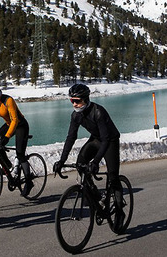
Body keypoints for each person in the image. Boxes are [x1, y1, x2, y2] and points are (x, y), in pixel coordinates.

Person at [53, 83, 125, 232]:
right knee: (81, 163)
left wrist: (96, 161)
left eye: (77, 101)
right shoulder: (75, 115)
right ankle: (96, 197)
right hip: (96, 139)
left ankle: (119, 211)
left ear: (85, 99)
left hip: (109, 140)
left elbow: (106, 139)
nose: (74, 104)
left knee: (113, 176)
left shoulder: (98, 112)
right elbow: (71, 137)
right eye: (71, 100)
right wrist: (62, 160)